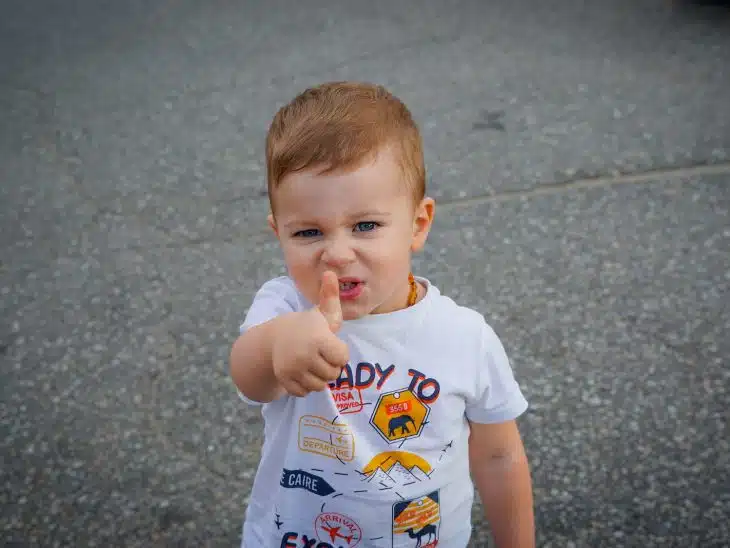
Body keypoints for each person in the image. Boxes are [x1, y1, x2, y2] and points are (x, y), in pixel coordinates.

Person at [229, 81, 535, 548]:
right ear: (278, 233)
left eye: (365, 226)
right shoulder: (286, 306)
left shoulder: (463, 335)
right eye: (308, 232)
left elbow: (498, 457)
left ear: (418, 224)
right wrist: (278, 345)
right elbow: (249, 378)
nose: (336, 253)